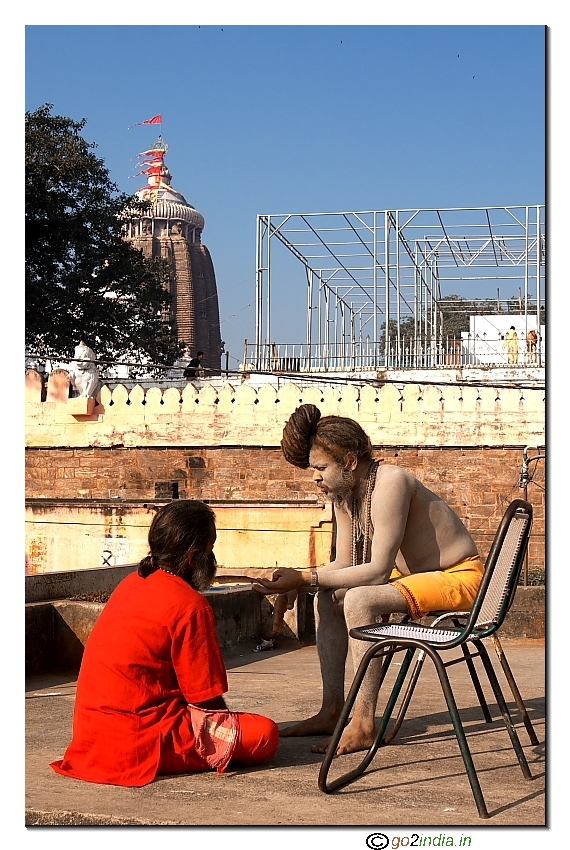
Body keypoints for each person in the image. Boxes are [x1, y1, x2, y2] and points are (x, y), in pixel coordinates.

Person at [251, 404, 484, 756]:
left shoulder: (391, 482)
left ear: (349, 462)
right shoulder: (344, 495)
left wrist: (305, 577)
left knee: (360, 599)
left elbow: (376, 570)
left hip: (460, 577)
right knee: (329, 597)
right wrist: (303, 581)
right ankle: (332, 711)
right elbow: (343, 562)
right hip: (415, 579)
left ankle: (362, 723)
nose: (315, 477)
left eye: (320, 468)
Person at [50, 500, 279, 786]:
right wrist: (229, 728)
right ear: (195, 557)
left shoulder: (131, 583)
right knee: (265, 733)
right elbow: (205, 700)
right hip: (138, 741)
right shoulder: (190, 606)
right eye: (210, 549)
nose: (213, 558)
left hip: (91, 738)